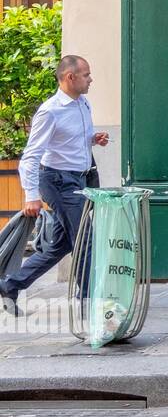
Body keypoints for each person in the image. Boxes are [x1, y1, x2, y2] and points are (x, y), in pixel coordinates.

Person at [0, 56, 109, 317]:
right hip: (58, 181)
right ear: (70, 77)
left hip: (79, 179)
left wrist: (92, 139)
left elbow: (69, 141)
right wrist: (31, 196)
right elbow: (31, 156)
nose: (90, 79)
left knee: (61, 244)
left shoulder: (83, 103)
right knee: (85, 237)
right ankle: (90, 304)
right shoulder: (50, 111)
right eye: (86, 74)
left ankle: (10, 284)